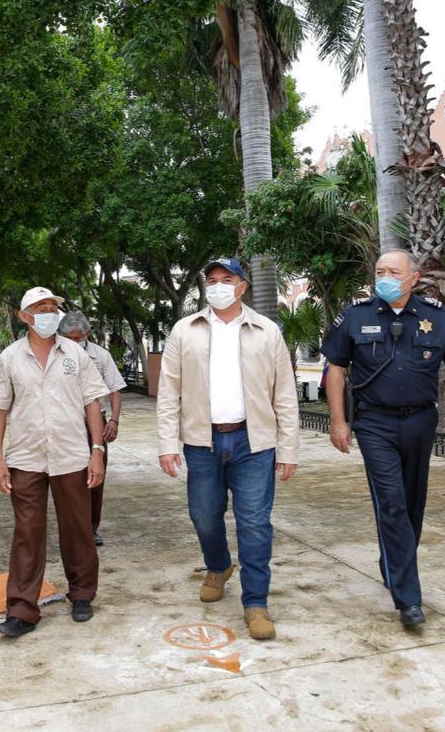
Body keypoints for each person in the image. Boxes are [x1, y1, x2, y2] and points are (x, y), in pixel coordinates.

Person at [320, 249, 445, 627]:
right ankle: (409, 598)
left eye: (393, 271)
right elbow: (336, 369)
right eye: (379, 270)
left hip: (420, 421)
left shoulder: (437, 317)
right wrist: (337, 421)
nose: (384, 276)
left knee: (412, 503)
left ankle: (392, 564)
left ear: (413, 278)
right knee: (392, 502)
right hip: (373, 423)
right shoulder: (356, 316)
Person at [156, 258, 299, 640]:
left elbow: (284, 394)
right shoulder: (185, 330)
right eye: (212, 280)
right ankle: (218, 566)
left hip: (254, 443)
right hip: (201, 441)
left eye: (227, 279)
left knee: (254, 524)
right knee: (204, 516)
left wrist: (288, 449)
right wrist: (168, 443)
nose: (218, 286)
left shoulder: (266, 331)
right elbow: (169, 391)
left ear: (242, 286)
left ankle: (256, 603)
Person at [0, 287, 110, 637]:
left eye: (53, 307)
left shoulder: (76, 355)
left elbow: (92, 404)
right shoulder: (8, 359)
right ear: (25, 316)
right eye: (41, 308)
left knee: (78, 528)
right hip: (26, 457)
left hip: (71, 456)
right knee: (27, 533)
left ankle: (82, 594)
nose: (49, 313)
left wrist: (97, 451)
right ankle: (22, 609)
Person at [58, 312, 127, 547]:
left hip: (95, 425)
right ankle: (73, 530)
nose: (74, 341)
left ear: (87, 334)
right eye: (69, 337)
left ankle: (90, 529)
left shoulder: (101, 355)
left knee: (95, 479)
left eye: (78, 337)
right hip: (65, 425)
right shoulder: (55, 353)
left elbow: (115, 390)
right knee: (67, 481)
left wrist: (114, 421)